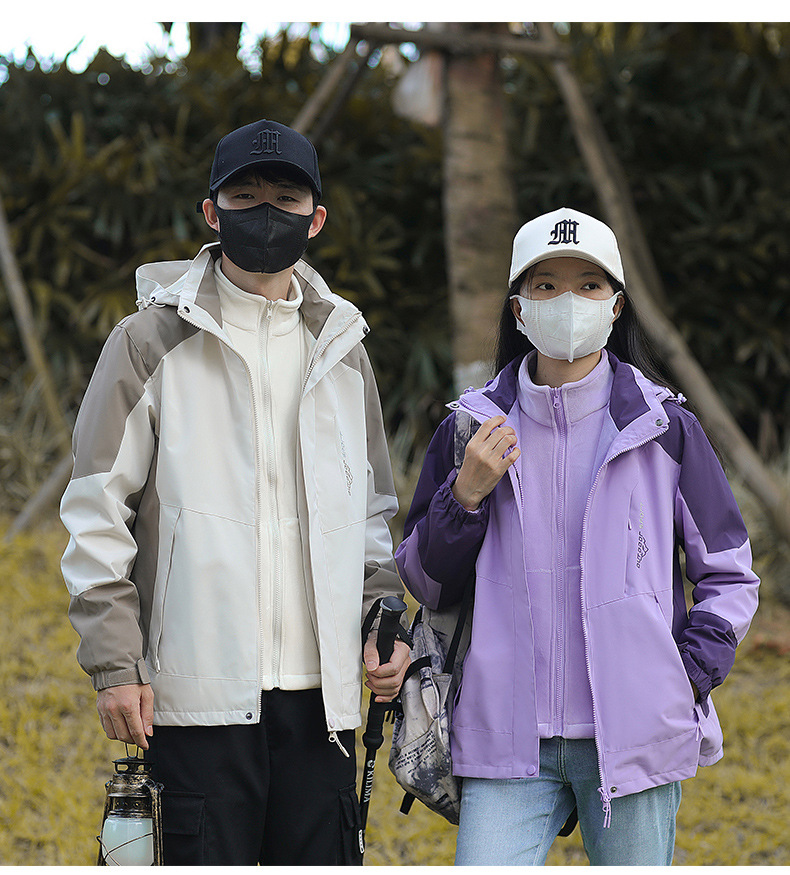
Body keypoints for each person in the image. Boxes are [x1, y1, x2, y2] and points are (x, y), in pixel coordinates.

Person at [60, 118, 410, 866]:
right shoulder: (147, 342)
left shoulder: (343, 349)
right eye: (244, 197)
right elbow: (96, 513)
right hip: (196, 697)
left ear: (316, 218)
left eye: (286, 198)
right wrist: (115, 664)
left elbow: (372, 518)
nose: (265, 213)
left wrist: (384, 621)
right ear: (212, 213)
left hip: (321, 705)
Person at [394, 207, 759, 866]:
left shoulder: (664, 429)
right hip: (505, 738)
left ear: (616, 306)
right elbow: (425, 581)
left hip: (634, 731)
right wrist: (464, 495)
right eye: (547, 285)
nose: (569, 301)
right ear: (518, 308)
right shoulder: (470, 429)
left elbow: (729, 572)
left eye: (589, 285)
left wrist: (683, 676)